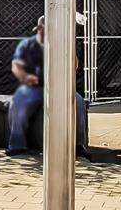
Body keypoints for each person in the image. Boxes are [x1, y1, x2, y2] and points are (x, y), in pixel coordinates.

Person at [6, 16, 90, 155]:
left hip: (58, 87)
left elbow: (74, 66)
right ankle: (16, 145)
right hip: (33, 87)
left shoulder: (62, 44)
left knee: (78, 101)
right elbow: (16, 66)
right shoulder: (27, 44)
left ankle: (78, 145)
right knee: (17, 101)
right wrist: (26, 77)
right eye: (43, 29)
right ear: (38, 29)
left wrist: (70, 46)